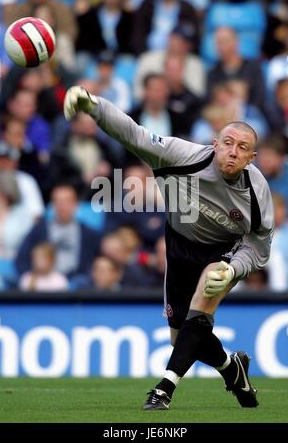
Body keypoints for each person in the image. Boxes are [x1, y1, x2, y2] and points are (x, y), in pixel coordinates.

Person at [63, 86, 274, 409]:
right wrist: (93, 105)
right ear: (214, 144)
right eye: (228, 143)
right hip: (178, 246)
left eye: (242, 148)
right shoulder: (182, 156)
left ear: (251, 158)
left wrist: (233, 268)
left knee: (202, 308)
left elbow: (259, 246)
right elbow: (134, 135)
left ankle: (163, 389)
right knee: (182, 337)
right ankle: (234, 371)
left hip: (221, 253)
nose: (233, 152)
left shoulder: (257, 195)